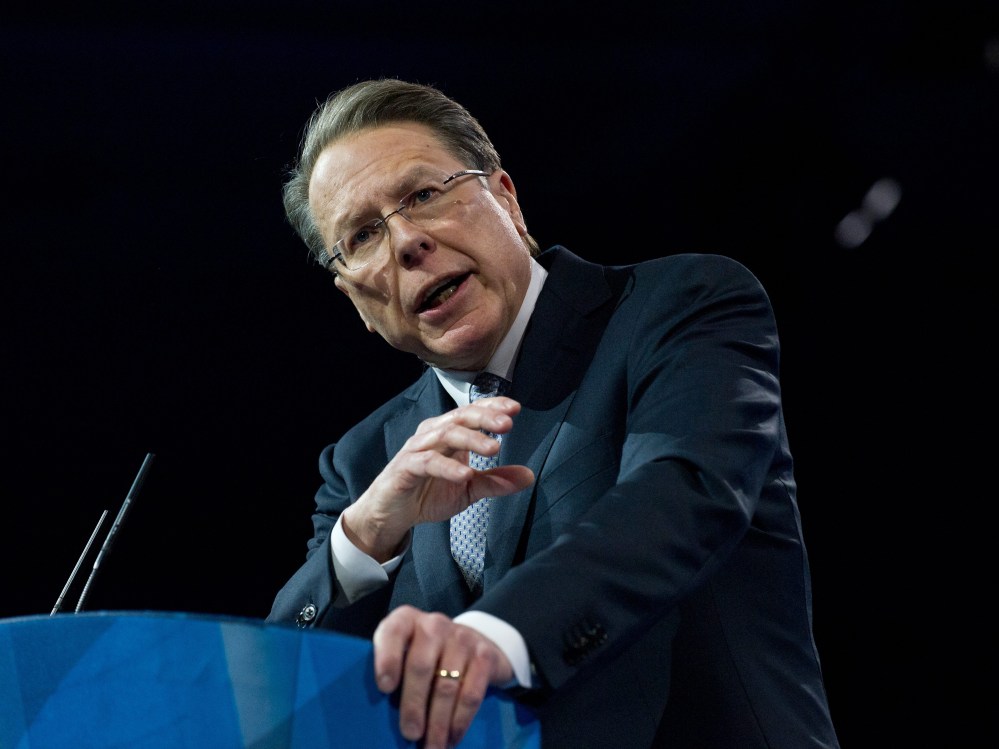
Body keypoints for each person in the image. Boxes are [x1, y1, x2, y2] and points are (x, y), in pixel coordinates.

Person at [267, 77, 841, 749]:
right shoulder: (361, 465)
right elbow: (280, 690)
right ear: (354, 299)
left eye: (423, 195)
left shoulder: (679, 307)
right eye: (363, 235)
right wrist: (363, 537)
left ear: (506, 198)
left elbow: (681, 495)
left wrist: (490, 638)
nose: (405, 242)